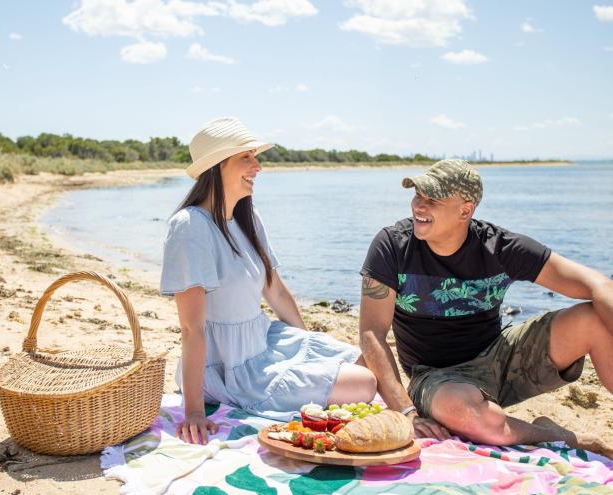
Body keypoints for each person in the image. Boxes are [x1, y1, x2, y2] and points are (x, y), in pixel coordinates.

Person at [358, 159, 613, 458]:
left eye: (432, 199)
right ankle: (556, 435)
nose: (419, 206)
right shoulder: (392, 246)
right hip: (438, 381)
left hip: (500, 359)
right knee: (473, 416)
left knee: (593, 318)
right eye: (417, 196)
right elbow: (372, 334)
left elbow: (599, 285)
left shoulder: (499, 247)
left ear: (465, 210)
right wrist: (406, 412)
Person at [161, 117, 376, 445]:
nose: (257, 166)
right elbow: (192, 329)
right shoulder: (190, 227)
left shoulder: (247, 216)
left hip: (264, 340)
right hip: (229, 367)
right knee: (364, 384)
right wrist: (193, 412)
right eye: (245, 157)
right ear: (218, 166)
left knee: (365, 361)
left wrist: (308, 348)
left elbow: (274, 289)